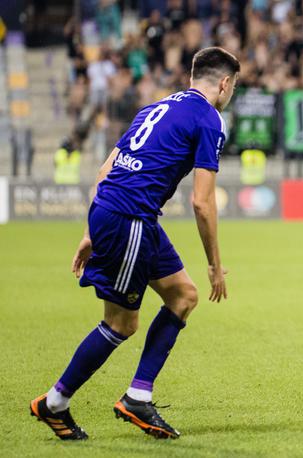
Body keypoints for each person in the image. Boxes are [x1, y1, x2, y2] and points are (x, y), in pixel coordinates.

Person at [30, 47, 240, 440]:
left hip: (121, 213)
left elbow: (106, 168)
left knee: (183, 297)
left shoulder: (155, 108)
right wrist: (214, 263)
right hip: (130, 219)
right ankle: (55, 402)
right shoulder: (209, 118)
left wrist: (91, 231)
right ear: (224, 84)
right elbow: (201, 201)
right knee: (121, 323)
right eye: (233, 87)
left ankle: (138, 395)